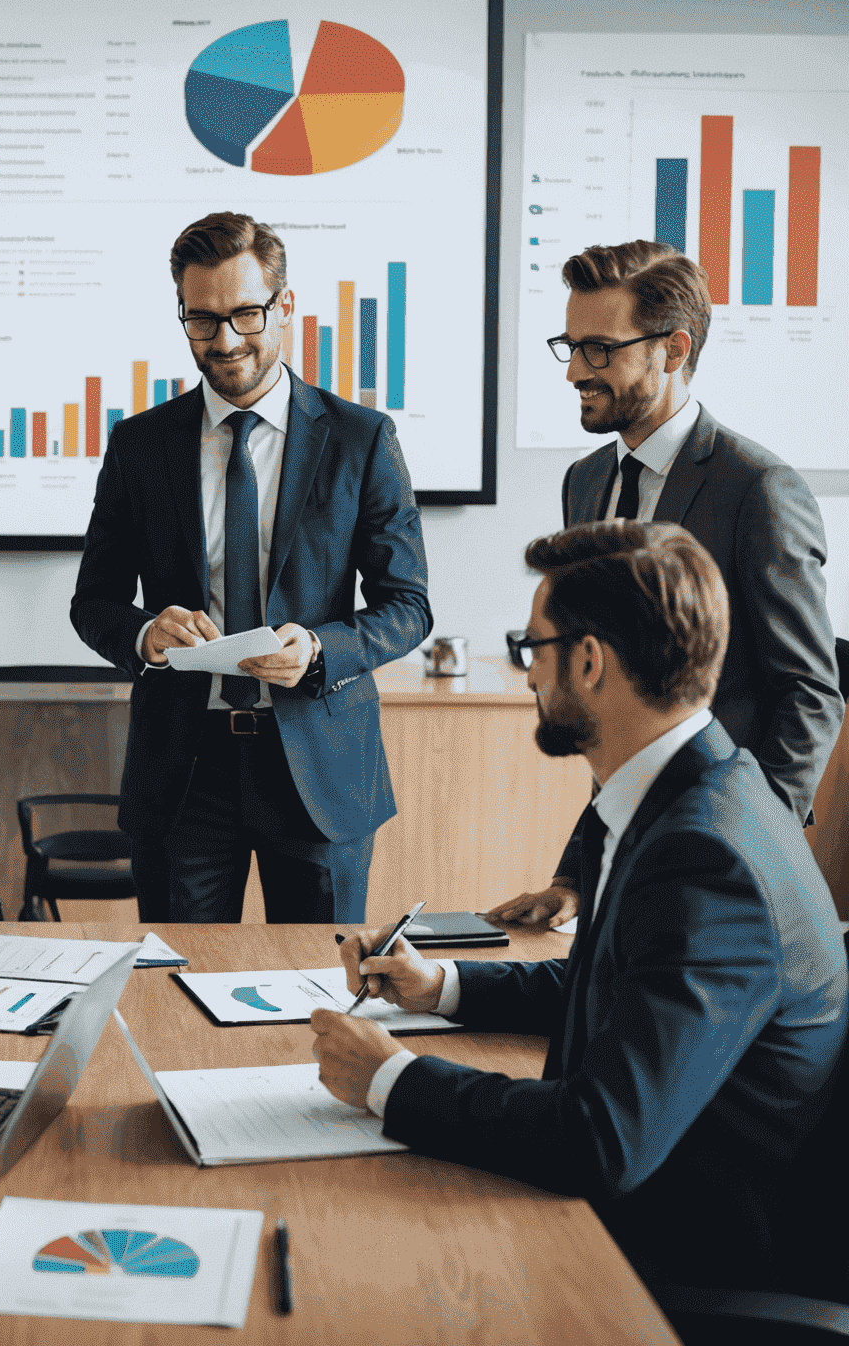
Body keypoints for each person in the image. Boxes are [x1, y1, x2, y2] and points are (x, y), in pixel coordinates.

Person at [312, 522, 846, 1292]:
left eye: (532, 649)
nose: (527, 675)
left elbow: (602, 1139)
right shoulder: (699, 791)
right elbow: (619, 982)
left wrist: (393, 1080)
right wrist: (442, 988)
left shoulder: (705, 858)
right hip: (628, 1212)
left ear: (589, 661)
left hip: (672, 1264)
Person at [70, 212, 431, 924]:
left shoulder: (361, 440)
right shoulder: (140, 445)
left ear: (285, 306)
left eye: (245, 314)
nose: (226, 341)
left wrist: (322, 649)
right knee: (176, 995)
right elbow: (95, 602)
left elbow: (408, 605)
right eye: (202, 321)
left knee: (321, 996)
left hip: (319, 770)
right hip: (184, 770)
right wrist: (147, 636)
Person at [488, 241, 841, 929]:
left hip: (719, 851)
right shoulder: (585, 482)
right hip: (631, 849)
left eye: (600, 350)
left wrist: (745, 844)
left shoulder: (758, 490)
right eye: (571, 346)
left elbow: (810, 694)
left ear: (672, 350)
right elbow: (611, 711)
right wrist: (576, 876)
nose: (575, 374)